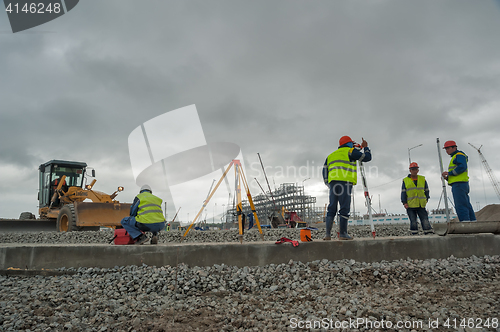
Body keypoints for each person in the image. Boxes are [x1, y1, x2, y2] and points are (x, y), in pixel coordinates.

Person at [322, 136, 372, 240]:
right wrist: (366, 148)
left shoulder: (331, 155)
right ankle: (343, 233)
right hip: (345, 183)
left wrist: (328, 183)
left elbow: (324, 170)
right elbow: (367, 157)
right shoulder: (350, 151)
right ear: (349, 144)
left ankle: (327, 234)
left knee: (331, 207)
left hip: (333, 184)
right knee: (344, 208)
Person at [441, 141, 477, 222]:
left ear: (454, 147)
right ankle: (472, 222)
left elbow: (462, 167)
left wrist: (449, 173)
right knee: (466, 204)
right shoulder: (457, 156)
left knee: (460, 205)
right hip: (461, 184)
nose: (446, 150)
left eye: (448, 148)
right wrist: (447, 178)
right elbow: (457, 174)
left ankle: (465, 223)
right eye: (446, 149)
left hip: (459, 184)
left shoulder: (459, 155)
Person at [401, 162, 433, 235]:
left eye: (415, 169)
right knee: (413, 221)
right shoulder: (405, 180)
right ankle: (414, 234)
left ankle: (428, 233)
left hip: (421, 204)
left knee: (425, 219)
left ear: (418, 170)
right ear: (410, 170)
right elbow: (403, 192)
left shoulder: (422, 179)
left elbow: (427, 190)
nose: (414, 171)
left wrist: (426, 199)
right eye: (413, 169)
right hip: (410, 205)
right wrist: (404, 203)